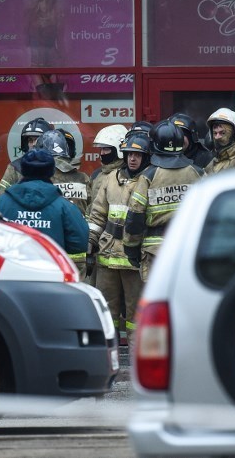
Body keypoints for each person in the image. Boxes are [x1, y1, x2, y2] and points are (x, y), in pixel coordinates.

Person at [87, 133, 151, 348]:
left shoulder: (150, 179)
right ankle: (107, 352)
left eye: (137, 155)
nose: (132, 158)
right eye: (129, 154)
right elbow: (97, 215)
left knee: (136, 312)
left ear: (146, 156)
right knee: (106, 310)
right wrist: (90, 242)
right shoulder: (111, 179)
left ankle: (137, 353)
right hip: (107, 254)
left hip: (134, 258)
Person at [124, 119, 204, 285]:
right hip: (189, 248)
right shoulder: (198, 173)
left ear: (154, 146)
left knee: (158, 297)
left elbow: (135, 217)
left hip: (155, 253)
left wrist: (131, 249)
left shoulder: (149, 176)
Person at [0, 149, 88, 257]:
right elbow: (80, 243)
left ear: (23, 170)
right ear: (51, 172)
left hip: (11, 266)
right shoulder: (64, 207)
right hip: (49, 266)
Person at [36, 129, 91, 275]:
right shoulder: (83, 178)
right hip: (78, 255)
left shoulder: (41, 178)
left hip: (49, 253)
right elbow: (92, 214)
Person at [0, 117, 51, 198]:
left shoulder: (56, 166)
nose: (33, 144)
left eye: (38, 140)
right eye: (30, 140)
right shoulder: (15, 167)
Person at [89, 124, 128, 213]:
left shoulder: (127, 174)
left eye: (106, 149)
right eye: (101, 149)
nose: (102, 153)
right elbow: (90, 206)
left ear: (118, 150)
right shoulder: (96, 175)